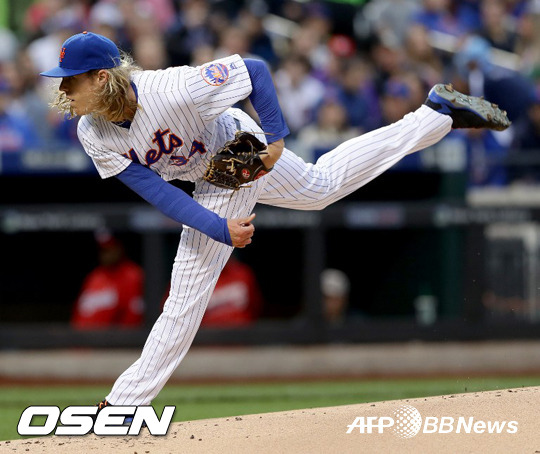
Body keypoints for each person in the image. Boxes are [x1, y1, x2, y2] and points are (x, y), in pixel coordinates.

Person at [40, 31, 509, 413]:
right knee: (322, 187)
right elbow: (158, 191)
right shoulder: (92, 132)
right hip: (209, 176)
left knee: (185, 294)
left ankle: (123, 405)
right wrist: (217, 227)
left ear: (102, 78)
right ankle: (435, 114)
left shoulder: (171, 88)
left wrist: (276, 139)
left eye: (70, 81)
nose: (62, 91)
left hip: (238, 150)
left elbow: (254, 71)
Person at [71, 231, 144, 329]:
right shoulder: (94, 277)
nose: (105, 255)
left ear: (119, 248)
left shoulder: (132, 276)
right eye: (102, 250)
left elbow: (133, 318)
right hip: (82, 336)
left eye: (109, 249)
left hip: (113, 338)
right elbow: (79, 315)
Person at [201, 254, 264, 327]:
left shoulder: (242, 273)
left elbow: (256, 305)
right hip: (210, 330)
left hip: (243, 329)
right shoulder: (201, 280)